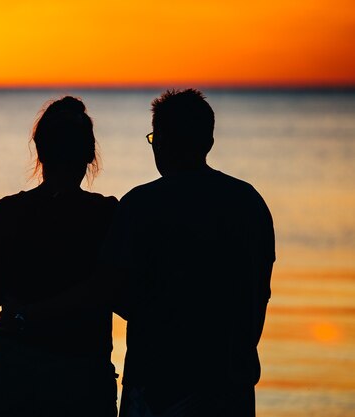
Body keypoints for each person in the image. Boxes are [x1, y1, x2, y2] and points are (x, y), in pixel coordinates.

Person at [104, 89, 275, 417]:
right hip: (230, 383)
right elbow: (259, 291)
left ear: (160, 142)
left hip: (156, 386)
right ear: (208, 142)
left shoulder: (140, 205)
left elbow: (115, 293)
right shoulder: (249, 203)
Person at [0, 96, 119, 417]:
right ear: (89, 155)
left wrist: (27, 309)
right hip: (80, 373)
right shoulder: (106, 214)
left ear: (39, 152)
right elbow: (119, 294)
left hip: (13, 367)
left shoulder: (7, 211)